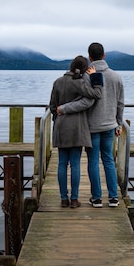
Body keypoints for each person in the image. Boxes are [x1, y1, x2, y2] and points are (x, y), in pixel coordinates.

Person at [59, 43, 124, 208]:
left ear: (90, 56)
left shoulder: (86, 76)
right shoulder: (116, 76)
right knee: (108, 160)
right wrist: (119, 123)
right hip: (110, 125)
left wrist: (64, 108)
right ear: (104, 55)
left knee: (93, 161)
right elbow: (120, 103)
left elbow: (85, 102)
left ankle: (96, 198)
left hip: (91, 126)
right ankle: (113, 197)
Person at [49, 55, 103, 208]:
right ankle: (74, 199)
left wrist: (58, 119)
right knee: (75, 164)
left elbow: (53, 106)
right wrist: (96, 79)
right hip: (77, 128)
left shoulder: (58, 82)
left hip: (61, 126)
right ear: (85, 69)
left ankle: (63, 199)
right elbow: (96, 95)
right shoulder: (79, 83)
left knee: (61, 163)